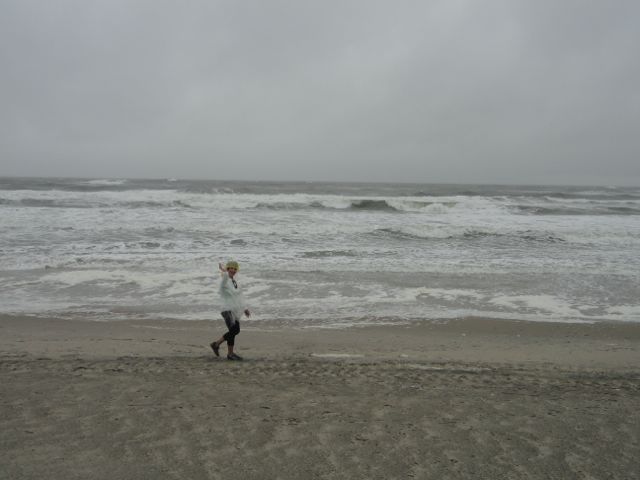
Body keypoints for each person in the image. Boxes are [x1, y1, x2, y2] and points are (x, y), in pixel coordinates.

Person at [210, 260, 250, 360]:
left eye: (235, 268)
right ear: (228, 269)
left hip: (234, 310)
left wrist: (245, 308)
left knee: (234, 331)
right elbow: (224, 277)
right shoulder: (225, 281)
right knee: (235, 330)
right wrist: (223, 271)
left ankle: (230, 354)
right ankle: (216, 344)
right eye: (231, 268)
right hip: (227, 309)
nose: (233, 270)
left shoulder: (235, 282)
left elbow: (239, 296)